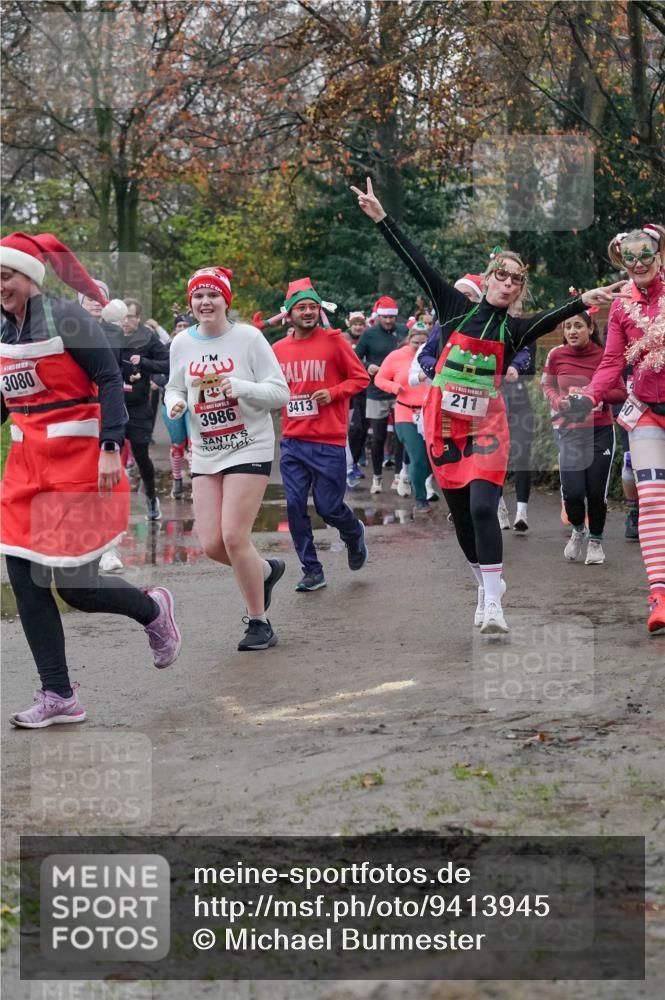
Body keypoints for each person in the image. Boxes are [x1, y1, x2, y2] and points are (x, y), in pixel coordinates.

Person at [351, 177, 625, 633]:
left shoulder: (514, 329)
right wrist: (381, 217)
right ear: (488, 277)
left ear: (519, 291)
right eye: (503, 274)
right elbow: (416, 261)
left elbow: (552, 317)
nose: (509, 283)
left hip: (486, 424)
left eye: (517, 280)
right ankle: (486, 586)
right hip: (442, 424)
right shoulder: (454, 307)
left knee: (482, 507)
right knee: (460, 516)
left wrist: (585, 299)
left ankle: (495, 607)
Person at [0, 232, 182, 727]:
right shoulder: (2, 329)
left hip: (78, 464)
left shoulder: (67, 317)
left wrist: (109, 446)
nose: (0, 286)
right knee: (24, 576)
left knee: (76, 587)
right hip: (24, 470)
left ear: (30, 276)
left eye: (6, 275)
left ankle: (152, 611)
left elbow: (106, 377)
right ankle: (58, 694)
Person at [164, 266, 290, 650]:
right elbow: (172, 386)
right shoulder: (181, 344)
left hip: (248, 444)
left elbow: (280, 392)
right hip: (205, 451)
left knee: (235, 537)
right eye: (198, 296)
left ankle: (259, 622)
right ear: (191, 303)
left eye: (213, 295)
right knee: (213, 545)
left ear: (225, 301)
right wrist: (177, 402)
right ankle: (265, 570)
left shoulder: (249, 339)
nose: (205, 302)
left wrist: (241, 388)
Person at [566, 224, 665, 633]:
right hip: (645, 410)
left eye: (646, 254)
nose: (639, 263)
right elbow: (610, 361)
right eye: (630, 256)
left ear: (660, 255)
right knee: (653, 496)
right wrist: (590, 394)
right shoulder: (621, 304)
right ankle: (659, 594)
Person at [272, 278, 370, 590]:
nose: (308, 312)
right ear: (289, 313)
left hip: (328, 441)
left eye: (312, 307)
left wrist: (334, 392)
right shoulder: (277, 350)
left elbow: (360, 378)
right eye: (301, 307)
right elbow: (270, 387)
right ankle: (311, 569)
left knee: (329, 508)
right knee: (295, 505)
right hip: (293, 441)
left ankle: (353, 533)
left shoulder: (335, 342)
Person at [542, 306, 626, 565]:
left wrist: (592, 395)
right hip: (570, 432)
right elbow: (547, 385)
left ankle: (596, 541)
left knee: (595, 490)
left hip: (600, 431)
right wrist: (559, 401)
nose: (572, 331)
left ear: (591, 328)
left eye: (578, 326)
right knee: (574, 492)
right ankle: (578, 530)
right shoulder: (556, 355)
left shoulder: (604, 356)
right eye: (568, 327)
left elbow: (621, 393)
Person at [79, 278, 127, 572]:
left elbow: (114, 373)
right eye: (89, 296)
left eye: (101, 297)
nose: (96, 301)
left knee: (107, 478)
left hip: (108, 411)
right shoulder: (65, 331)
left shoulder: (113, 331)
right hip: (78, 413)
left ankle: (109, 549)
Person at [120, 298, 171, 520]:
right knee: (107, 453)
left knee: (141, 456)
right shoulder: (111, 336)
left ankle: (151, 497)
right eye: (122, 316)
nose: (125, 321)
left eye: (130, 316)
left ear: (138, 318)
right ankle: (107, 506)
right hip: (114, 405)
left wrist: (144, 364)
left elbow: (168, 363)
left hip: (139, 407)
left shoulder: (148, 339)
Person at [375, 321, 432, 512]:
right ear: (409, 339)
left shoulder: (434, 355)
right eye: (416, 342)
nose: (420, 346)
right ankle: (421, 499)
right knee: (417, 456)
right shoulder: (396, 356)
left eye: (425, 342)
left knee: (433, 459)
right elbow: (379, 378)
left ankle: (411, 477)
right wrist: (394, 387)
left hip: (430, 413)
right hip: (405, 412)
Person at [353, 295, 408, 494]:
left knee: (402, 436)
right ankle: (377, 478)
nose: (388, 321)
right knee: (378, 437)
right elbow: (355, 358)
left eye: (391, 318)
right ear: (378, 317)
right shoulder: (369, 335)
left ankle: (399, 476)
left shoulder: (403, 331)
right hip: (376, 391)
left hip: (401, 391)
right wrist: (368, 366)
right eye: (384, 317)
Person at [498, 344, 536, 532]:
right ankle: (500, 508)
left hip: (520, 406)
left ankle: (522, 512)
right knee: (496, 460)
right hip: (493, 405)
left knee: (522, 458)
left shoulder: (524, 336)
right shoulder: (488, 330)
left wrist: (515, 366)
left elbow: (530, 369)